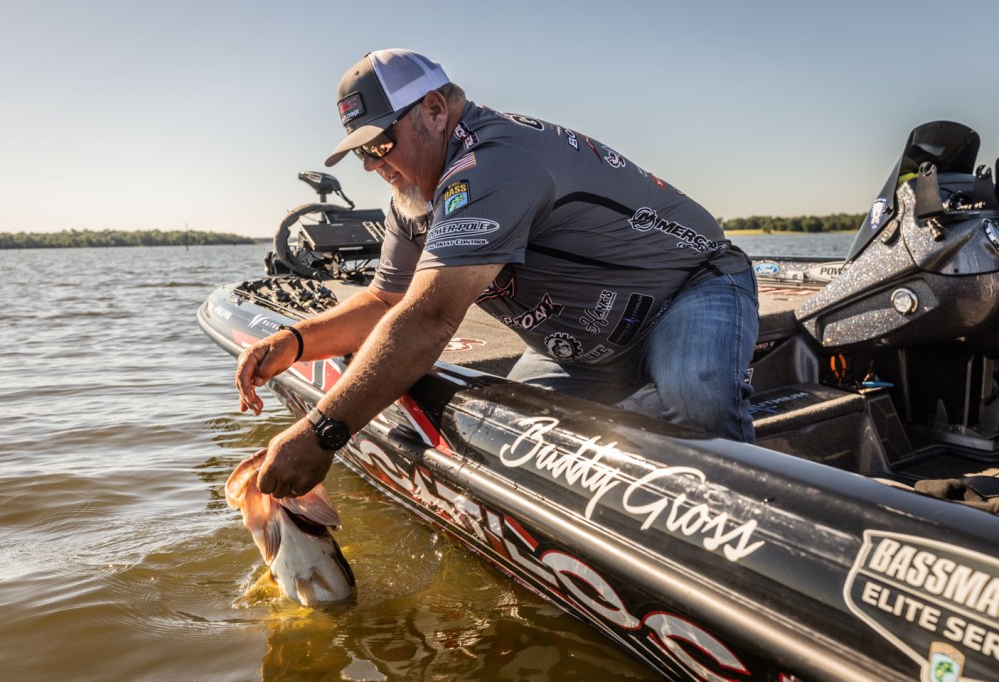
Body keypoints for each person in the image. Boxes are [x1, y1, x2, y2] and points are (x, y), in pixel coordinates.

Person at [236, 48, 759, 499]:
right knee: (509, 439)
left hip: (687, 291)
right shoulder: (412, 201)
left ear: (434, 110)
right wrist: (294, 342)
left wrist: (322, 432)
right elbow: (385, 303)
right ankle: (645, 405)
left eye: (380, 144)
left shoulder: (493, 163)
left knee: (698, 394)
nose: (373, 165)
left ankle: (747, 519)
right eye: (362, 155)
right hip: (583, 348)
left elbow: (429, 318)